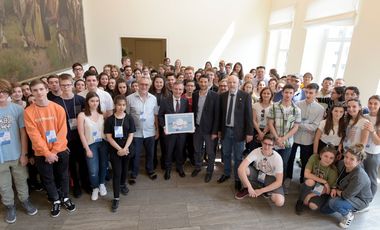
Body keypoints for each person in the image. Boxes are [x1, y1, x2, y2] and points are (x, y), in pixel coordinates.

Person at [24, 79, 76, 217]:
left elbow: (62, 131)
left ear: (47, 90)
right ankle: (55, 200)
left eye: (41, 89)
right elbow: (33, 135)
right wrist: (47, 153)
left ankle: (65, 197)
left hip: (60, 150)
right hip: (42, 154)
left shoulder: (58, 108)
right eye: (35, 90)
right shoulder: (28, 112)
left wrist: (53, 151)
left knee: (63, 175)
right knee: (47, 178)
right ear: (31, 93)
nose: (39, 92)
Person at [0, 79, 38, 224]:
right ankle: (9, 206)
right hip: (0, 157)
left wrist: (24, 154)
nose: (0, 94)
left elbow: (23, 133)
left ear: (8, 92)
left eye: (3, 91)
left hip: (17, 154)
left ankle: (25, 201)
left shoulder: (17, 110)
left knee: (21, 180)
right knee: (3, 184)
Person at [52, 74, 87, 198]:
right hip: (65, 140)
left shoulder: (80, 100)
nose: (66, 87)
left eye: (68, 84)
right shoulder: (55, 104)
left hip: (81, 137)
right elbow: (54, 125)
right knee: (71, 164)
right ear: (59, 86)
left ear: (72, 85)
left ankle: (86, 184)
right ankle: (76, 186)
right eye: (63, 85)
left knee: (83, 162)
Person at [321, 144, 373, 229]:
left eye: (352, 159)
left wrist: (336, 191)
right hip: (345, 191)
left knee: (333, 203)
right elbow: (336, 177)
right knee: (324, 210)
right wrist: (334, 188)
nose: (347, 161)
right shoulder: (342, 163)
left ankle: (349, 215)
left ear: (358, 162)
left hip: (360, 199)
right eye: (346, 157)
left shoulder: (359, 176)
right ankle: (346, 206)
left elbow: (346, 195)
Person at [217, 75, 254, 190]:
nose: (232, 84)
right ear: (227, 84)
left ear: (238, 83)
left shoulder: (245, 96)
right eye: (230, 82)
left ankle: (238, 178)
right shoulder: (222, 96)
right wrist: (218, 130)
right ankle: (227, 173)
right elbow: (220, 116)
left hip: (240, 132)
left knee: (238, 156)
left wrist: (249, 133)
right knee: (226, 153)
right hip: (225, 130)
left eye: (234, 82)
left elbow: (248, 116)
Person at [288, 83, 325, 184]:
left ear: (316, 93)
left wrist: (299, 124)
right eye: (306, 92)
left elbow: (314, 127)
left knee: (305, 161)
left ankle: (302, 180)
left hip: (308, 139)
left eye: (311, 93)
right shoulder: (298, 104)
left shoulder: (320, 109)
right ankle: (288, 178)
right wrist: (303, 124)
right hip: (294, 136)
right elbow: (291, 120)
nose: (308, 95)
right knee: (290, 158)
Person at [267, 84, 301, 194]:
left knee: (283, 164)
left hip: (287, 142)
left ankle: (279, 185)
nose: (288, 95)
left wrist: (283, 139)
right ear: (282, 93)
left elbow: (296, 127)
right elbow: (270, 123)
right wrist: (277, 138)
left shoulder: (297, 110)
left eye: (291, 93)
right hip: (274, 140)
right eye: (286, 92)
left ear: (293, 94)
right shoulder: (274, 106)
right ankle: (269, 184)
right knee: (272, 162)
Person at [235, 134, 285, 207]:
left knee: (279, 201)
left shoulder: (277, 158)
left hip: (270, 178)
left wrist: (261, 191)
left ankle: (266, 190)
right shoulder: (256, 151)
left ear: (273, 145)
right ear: (261, 142)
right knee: (243, 169)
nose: (266, 147)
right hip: (258, 173)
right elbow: (241, 168)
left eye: (270, 145)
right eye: (265, 143)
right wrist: (249, 188)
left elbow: (279, 182)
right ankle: (246, 188)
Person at [104, 95, 135, 212]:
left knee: (125, 169)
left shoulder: (129, 118)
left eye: (123, 105)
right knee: (117, 172)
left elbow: (131, 134)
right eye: (119, 105)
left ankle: (123, 184)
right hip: (115, 150)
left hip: (127, 149)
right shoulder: (110, 120)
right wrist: (119, 149)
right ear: (115, 105)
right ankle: (116, 197)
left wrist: (125, 148)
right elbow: (109, 137)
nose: (121, 107)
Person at [126, 76, 159, 184]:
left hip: (150, 131)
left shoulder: (153, 98)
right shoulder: (129, 98)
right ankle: (134, 173)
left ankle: (150, 170)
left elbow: (155, 115)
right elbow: (127, 116)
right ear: (138, 85)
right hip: (136, 133)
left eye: (146, 84)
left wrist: (157, 129)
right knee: (135, 154)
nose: (144, 86)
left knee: (150, 153)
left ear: (149, 86)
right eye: (142, 84)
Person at [77, 92, 108, 201]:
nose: (95, 103)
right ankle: (95, 187)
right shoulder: (82, 115)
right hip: (90, 145)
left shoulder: (102, 114)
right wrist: (87, 149)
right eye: (92, 101)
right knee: (93, 170)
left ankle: (101, 183)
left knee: (104, 165)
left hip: (103, 143)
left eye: (97, 101)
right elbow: (81, 133)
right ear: (87, 102)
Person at [191, 75, 220, 182]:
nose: (203, 84)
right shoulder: (195, 95)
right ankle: (198, 167)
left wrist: (215, 131)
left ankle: (209, 171)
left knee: (210, 152)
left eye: (205, 82)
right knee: (197, 149)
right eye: (201, 81)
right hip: (197, 128)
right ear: (198, 82)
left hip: (209, 130)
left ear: (209, 82)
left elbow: (217, 115)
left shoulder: (215, 96)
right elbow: (194, 111)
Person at [295, 145, 338, 215]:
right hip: (311, 182)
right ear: (321, 155)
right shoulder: (314, 157)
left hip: (321, 190)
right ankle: (300, 201)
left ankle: (306, 194)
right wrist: (324, 181)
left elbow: (327, 190)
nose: (328, 160)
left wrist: (310, 196)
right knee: (310, 181)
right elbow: (306, 174)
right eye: (326, 156)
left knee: (313, 206)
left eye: (331, 158)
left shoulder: (333, 171)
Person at [158, 81, 189, 180]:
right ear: (172, 89)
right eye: (176, 89)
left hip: (181, 133)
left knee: (180, 150)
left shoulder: (185, 101)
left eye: (180, 89)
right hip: (169, 132)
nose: (178, 91)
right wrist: (164, 127)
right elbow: (160, 116)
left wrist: (189, 126)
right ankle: (168, 170)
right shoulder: (164, 101)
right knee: (168, 151)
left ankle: (180, 168)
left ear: (183, 90)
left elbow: (187, 116)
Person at [149, 75, 170, 170]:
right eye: (157, 82)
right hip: (152, 122)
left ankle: (164, 162)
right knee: (153, 145)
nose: (159, 84)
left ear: (164, 83)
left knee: (165, 145)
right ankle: (153, 162)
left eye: (161, 82)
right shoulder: (149, 93)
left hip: (165, 123)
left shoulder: (168, 94)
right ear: (153, 83)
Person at [363, 95, 380, 196]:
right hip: (363, 151)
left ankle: (369, 198)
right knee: (362, 176)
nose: (372, 106)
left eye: (375, 104)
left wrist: (372, 131)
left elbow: (378, 142)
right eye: (370, 103)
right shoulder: (365, 116)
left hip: (373, 154)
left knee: (371, 177)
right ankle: (362, 196)